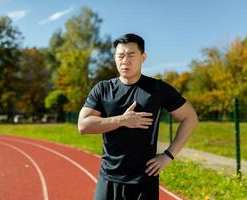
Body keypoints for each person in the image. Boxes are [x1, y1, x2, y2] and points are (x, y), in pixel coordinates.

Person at [78, 33, 198, 200]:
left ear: (143, 57)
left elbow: (190, 118)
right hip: (109, 178)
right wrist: (122, 120)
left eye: (131, 55)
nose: (125, 60)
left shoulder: (157, 88)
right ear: (115, 58)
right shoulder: (103, 89)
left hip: (144, 180)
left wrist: (168, 155)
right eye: (120, 55)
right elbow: (83, 126)